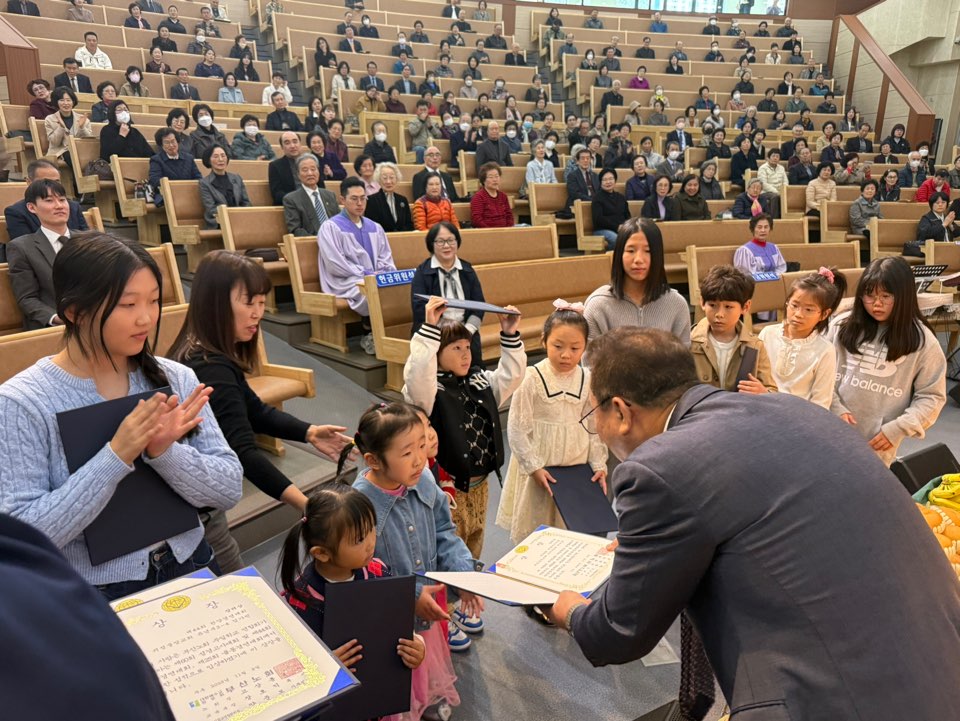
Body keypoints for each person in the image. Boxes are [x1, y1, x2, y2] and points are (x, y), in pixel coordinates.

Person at [549, 315, 960, 717]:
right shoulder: (790, 409)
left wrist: (569, 610)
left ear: (621, 412)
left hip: (841, 698)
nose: (597, 427)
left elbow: (620, 632)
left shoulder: (660, 467)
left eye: (593, 415)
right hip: (937, 660)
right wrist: (654, 544)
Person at [0, 233, 242, 598]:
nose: (146, 318)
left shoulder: (175, 377)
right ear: (74, 311)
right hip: (96, 591)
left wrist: (165, 452)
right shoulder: (22, 402)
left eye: (154, 301)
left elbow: (228, 489)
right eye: (128, 304)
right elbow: (23, 537)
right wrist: (116, 456)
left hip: (190, 562)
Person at [170, 254, 351, 571]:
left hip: (198, 504)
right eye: (248, 302)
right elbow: (242, 450)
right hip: (198, 513)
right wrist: (306, 504)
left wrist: (308, 432)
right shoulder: (209, 366)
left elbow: (252, 409)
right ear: (215, 302)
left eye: (261, 302)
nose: (257, 313)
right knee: (236, 586)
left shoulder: (207, 351)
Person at [403, 295, 523, 642]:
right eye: (455, 348)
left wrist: (509, 333)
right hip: (447, 488)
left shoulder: (479, 381)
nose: (465, 354)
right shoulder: (430, 391)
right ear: (438, 353)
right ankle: (444, 611)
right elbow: (417, 374)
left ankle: (461, 601)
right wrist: (428, 330)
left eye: (467, 347)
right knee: (445, 549)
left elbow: (512, 376)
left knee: (472, 544)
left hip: (480, 484)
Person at [347, 404, 477, 711]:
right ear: (373, 460)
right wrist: (410, 596)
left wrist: (464, 574)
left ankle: (422, 702)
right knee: (397, 681)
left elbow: (443, 530)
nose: (420, 459)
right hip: (392, 619)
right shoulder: (358, 506)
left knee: (425, 668)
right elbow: (358, 575)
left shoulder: (423, 478)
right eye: (407, 452)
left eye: (422, 445)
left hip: (427, 605)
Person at [279, 479, 426, 702]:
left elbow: (393, 624)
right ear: (322, 553)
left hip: (377, 693)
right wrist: (323, 666)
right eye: (359, 539)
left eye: (372, 528)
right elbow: (289, 668)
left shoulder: (377, 570)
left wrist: (416, 645)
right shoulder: (299, 601)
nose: (371, 542)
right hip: (333, 704)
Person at [497, 298, 608, 559]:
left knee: (571, 536)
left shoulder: (588, 378)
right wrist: (534, 466)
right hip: (541, 467)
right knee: (537, 535)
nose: (566, 354)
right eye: (558, 346)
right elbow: (517, 428)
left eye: (575, 348)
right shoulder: (531, 378)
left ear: (585, 347)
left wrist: (599, 463)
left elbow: (594, 426)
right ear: (544, 341)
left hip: (576, 468)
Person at [833, 256, 947, 466]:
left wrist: (897, 429)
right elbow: (818, 374)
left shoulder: (923, 342)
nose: (877, 304)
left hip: (877, 445)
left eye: (886, 296)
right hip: (830, 431)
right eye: (869, 295)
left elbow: (932, 396)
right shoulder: (841, 326)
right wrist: (835, 408)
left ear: (904, 296)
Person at [317, 177, 397, 354]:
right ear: (342, 200)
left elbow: (385, 257)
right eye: (354, 199)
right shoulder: (330, 228)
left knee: (394, 288)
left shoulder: (375, 227)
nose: (360, 203)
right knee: (370, 291)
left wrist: (380, 272)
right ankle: (370, 333)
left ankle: (391, 335)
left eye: (363, 198)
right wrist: (366, 273)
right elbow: (335, 264)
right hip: (345, 280)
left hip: (371, 277)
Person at [583, 217, 690, 346]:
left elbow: (683, 356)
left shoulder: (676, 304)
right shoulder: (598, 305)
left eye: (648, 251)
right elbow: (590, 357)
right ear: (619, 254)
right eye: (631, 251)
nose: (638, 259)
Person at [758, 268, 846, 409]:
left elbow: (821, 403)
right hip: (762, 406)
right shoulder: (767, 334)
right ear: (787, 302)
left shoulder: (825, 350)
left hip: (799, 416)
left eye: (809, 309)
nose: (798, 314)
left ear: (824, 314)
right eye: (794, 305)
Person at [690, 265, 777, 393]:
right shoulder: (689, 341)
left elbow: (772, 391)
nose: (719, 314)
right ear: (702, 303)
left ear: (745, 307)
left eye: (728, 307)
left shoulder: (755, 346)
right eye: (712, 305)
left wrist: (763, 392)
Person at [7, 179, 77, 329]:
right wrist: (57, 318)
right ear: (32, 207)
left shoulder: (89, 240)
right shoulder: (21, 247)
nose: (59, 206)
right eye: (49, 201)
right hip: (56, 325)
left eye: (62, 200)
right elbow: (27, 298)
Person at [282, 154, 339, 237]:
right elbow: (296, 230)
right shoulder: (291, 199)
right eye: (305, 170)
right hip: (313, 241)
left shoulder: (330, 195)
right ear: (298, 174)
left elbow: (340, 221)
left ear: (318, 171)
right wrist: (321, 239)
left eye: (313, 169)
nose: (310, 173)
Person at [198, 145, 250, 229]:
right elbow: (211, 209)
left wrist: (240, 215)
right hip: (218, 222)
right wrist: (232, 216)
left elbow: (246, 202)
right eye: (216, 156)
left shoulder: (237, 178)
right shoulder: (204, 183)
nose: (221, 159)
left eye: (223, 156)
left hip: (240, 219)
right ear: (209, 160)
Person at [44, 87, 92, 167]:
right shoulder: (50, 119)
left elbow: (89, 141)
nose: (66, 103)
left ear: (73, 102)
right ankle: (78, 175)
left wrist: (82, 127)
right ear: (56, 102)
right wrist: (61, 128)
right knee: (71, 155)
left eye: (68, 100)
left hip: (79, 151)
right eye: (62, 100)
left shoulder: (83, 119)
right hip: (59, 152)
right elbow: (54, 143)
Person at [365, 163, 413, 233]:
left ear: (397, 179)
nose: (388, 181)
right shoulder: (372, 200)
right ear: (379, 180)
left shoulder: (402, 200)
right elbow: (371, 226)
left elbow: (409, 224)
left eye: (391, 177)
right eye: (384, 178)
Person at [590, 168, 629, 250]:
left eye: (611, 179)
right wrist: (617, 226)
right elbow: (598, 219)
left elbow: (627, 215)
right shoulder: (597, 198)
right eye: (605, 180)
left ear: (615, 180)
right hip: (602, 230)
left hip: (621, 228)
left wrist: (625, 226)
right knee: (617, 240)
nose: (608, 182)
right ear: (600, 182)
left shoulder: (621, 197)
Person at [470, 163, 513, 229]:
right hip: (487, 232)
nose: (495, 180)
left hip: (505, 231)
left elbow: (509, 216)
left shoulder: (503, 196)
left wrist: (507, 230)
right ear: (483, 180)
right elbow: (477, 220)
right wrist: (491, 232)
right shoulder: (478, 197)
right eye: (491, 177)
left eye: (497, 176)